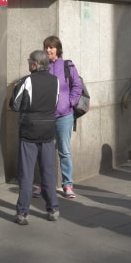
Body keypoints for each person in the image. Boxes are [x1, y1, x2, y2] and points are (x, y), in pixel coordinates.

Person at [10, 50, 60, 225]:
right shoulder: (55, 81)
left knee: (26, 173)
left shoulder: (27, 81)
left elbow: (15, 105)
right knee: (48, 171)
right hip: (48, 130)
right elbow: (55, 102)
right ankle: (53, 209)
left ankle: (23, 213)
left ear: (34, 64)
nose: (28, 64)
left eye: (29, 61)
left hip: (29, 130)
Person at [43, 35, 83, 198]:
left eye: (51, 47)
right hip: (45, 116)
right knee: (45, 150)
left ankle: (67, 184)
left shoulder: (68, 65)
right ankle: (45, 184)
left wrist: (70, 102)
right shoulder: (42, 65)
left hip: (64, 115)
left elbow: (77, 85)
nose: (48, 50)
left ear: (58, 49)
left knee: (64, 150)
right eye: (46, 47)